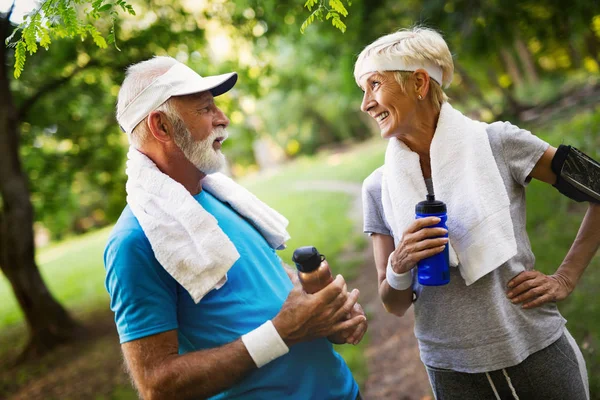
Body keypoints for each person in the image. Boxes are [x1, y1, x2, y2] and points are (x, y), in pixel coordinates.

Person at [103, 56, 367, 400]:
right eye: (205, 109)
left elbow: (268, 291)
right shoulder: (134, 241)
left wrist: (327, 313)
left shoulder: (221, 197)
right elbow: (157, 385)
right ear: (161, 127)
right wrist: (282, 333)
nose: (223, 120)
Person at [356, 27, 599, 399]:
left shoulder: (499, 143)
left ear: (419, 82)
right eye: (363, 90)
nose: (366, 104)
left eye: (374, 84)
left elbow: (597, 185)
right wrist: (399, 264)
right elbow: (393, 303)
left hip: (538, 351)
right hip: (453, 373)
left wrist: (565, 278)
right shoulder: (378, 187)